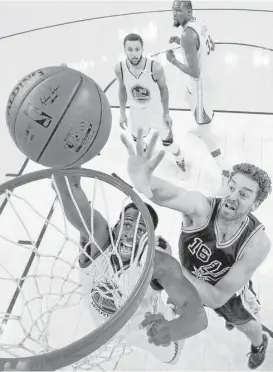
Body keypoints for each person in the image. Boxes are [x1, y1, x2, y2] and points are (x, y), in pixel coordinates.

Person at [121, 129, 272, 370]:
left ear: (255, 205)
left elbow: (216, 297)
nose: (231, 197)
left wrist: (172, 269)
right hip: (189, 278)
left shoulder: (258, 243)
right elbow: (167, 193)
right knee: (180, 306)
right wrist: (143, 181)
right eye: (231, 187)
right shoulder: (201, 208)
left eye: (243, 195)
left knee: (247, 325)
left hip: (225, 292)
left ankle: (259, 344)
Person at [52, 175, 208, 366]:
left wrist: (173, 328)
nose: (130, 233)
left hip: (148, 326)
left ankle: (174, 305)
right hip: (111, 325)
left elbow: (199, 319)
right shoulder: (100, 242)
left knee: (172, 357)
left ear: (149, 239)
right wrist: (62, 168)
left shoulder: (157, 263)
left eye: (141, 230)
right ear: (116, 227)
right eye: (127, 224)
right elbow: (70, 194)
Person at [167, 1, 229, 178]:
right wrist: (181, 42)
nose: (174, 14)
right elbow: (211, 45)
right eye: (173, 10)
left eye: (178, 10)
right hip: (208, 80)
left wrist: (172, 60)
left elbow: (194, 71)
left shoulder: (188, 34)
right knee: (187, 96)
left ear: (189, 10)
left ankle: (225, 168)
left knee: (205, 132)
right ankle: (202, 122)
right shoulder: (199, 23)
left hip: (202, 87)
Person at [114, 32, 187, 174]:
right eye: (130, 49)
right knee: (138, 141)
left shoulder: (155, 68)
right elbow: (122, 89)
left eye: (137, 49)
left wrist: (166, 114)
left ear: (142, 49)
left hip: (155, 110)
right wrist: (122, 112)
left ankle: (180, 158)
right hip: (136, 111)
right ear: (124, 50)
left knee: (169, 143)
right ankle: (147, 151)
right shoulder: (119, 69)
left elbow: (164, 90)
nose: (134, 53)